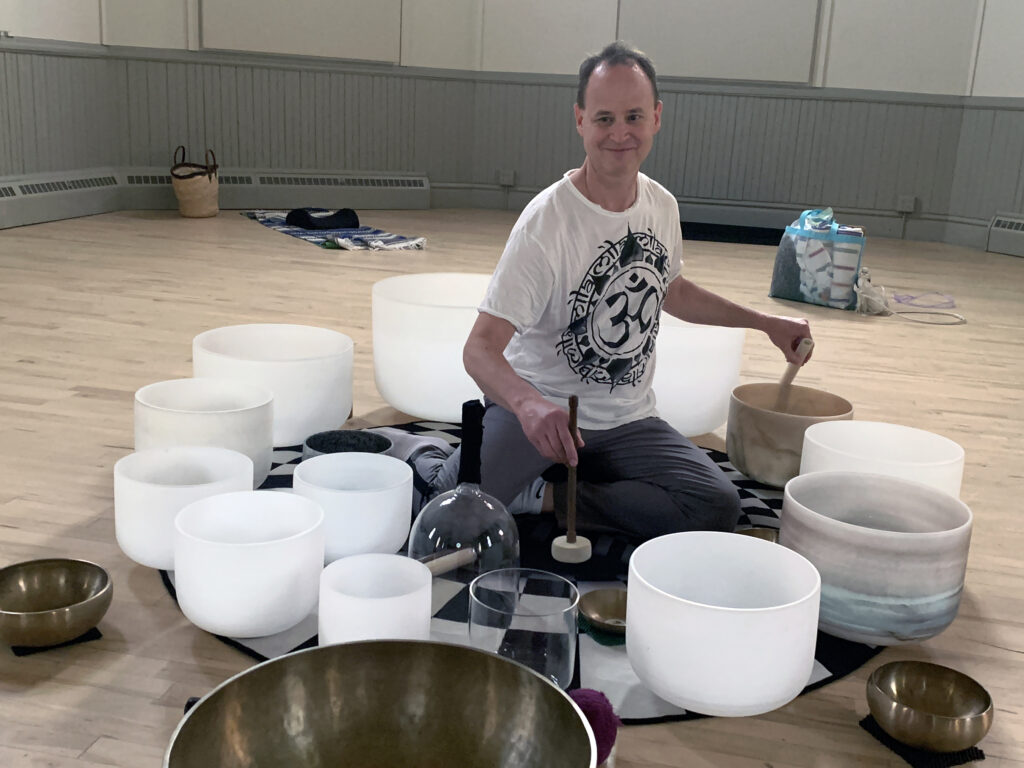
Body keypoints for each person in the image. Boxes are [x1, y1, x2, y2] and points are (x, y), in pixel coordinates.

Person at [377, 41, 811, 541]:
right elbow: (479, 349)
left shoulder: (661, 206)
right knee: (449, 517)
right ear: (580, 120)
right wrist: (527, 405)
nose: (620, 133)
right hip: (540, 414)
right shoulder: (546, 223)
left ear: (657, 118)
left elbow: (670, 289)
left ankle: (543, 497)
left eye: (634, 116)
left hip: (629, 421)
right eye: (604, 119)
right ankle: (423, 453)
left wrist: (766, 323)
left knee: (713, 505)